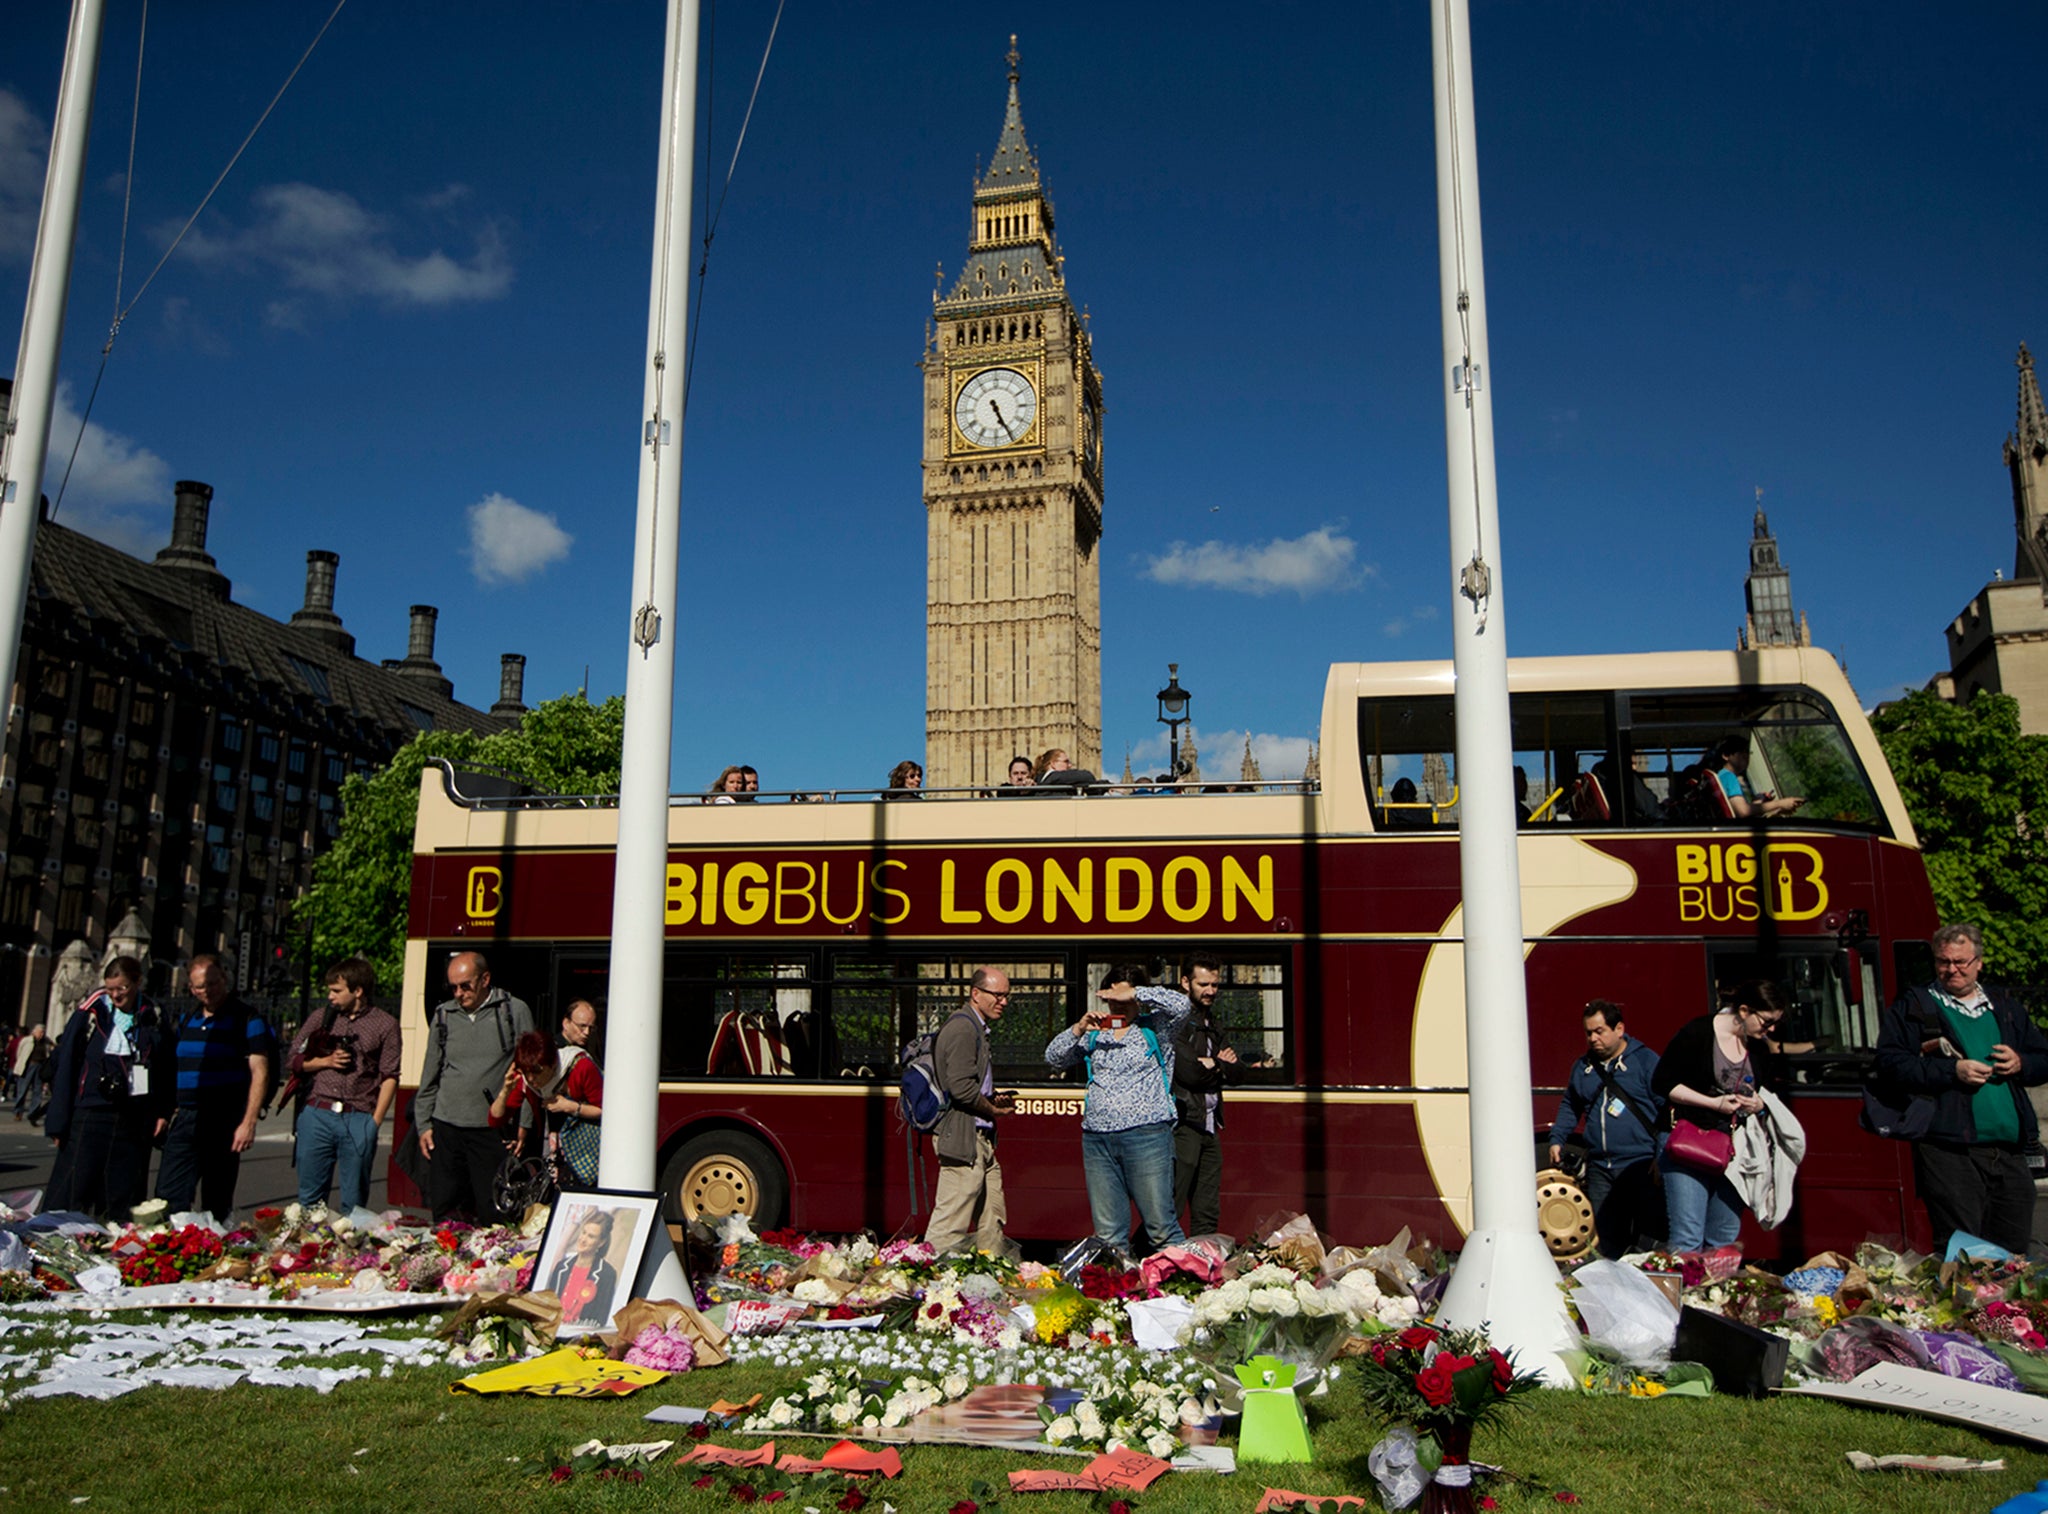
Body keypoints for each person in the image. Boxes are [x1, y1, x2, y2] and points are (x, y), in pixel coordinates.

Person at [1875, 923, 2048, 1255]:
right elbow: (1890, 1064)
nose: (1951, 969)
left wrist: (2021, 1062)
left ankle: (2003, 1309)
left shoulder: (2005, 1007)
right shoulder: (1914, 1006)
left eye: (1960, 962)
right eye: (1943, 962)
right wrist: (1951, 1070)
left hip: (2010, 1149)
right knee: (1963, 1248)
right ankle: (1965, 1307)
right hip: (1949, 1148)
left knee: (2012, 1249)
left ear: (1979, 962)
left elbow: (2043, 1058)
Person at [1049, 965, 1193, 1259]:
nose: (1116, 1003)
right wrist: (1078, 1028)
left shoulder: (1156, 1027)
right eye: (1111, 997)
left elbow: (1182, 1005)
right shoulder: (1096, 1034)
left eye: (1122, 997)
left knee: (1161, 1226)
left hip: (1147, 1136)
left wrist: (1137, 991)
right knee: (1108, 1234)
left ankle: (1185, 1292)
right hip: (1097, 1139)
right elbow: (1053, 1058)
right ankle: (1116, 1295)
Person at [1651, 980, 1786, 1250]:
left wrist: (1759, 1104)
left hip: (1735, 1150)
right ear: (1745, 1011)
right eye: (1767, 1022)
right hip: (1688, 1141)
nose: (1771, 1030)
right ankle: (1686, 1291)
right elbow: (1663, 1083)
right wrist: (1714, 1103)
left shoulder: (1759, 1047)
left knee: (1724, 1238)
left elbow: (1766, 1091)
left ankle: (1716, 1292)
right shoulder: (1697, 1032)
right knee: (1688, 1237)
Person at [44, 957, 173, 1221]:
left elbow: (166, 1066)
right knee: (73, 1190)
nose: (115, 995)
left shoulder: (153, 1014)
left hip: (133, 1117)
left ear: (138, 982)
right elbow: (67, 1062)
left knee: (122, 1197)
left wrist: (162, 1110)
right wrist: (58, 1121)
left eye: (122, 988)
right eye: (110, 988)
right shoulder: (91, 1012)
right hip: (90, 1112)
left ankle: (116, 1249)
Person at [412, 951, 535, 1221]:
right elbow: (429, 1074)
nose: (458, 993)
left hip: (491, 1129)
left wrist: (524, 1125)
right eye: (452, 987)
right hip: (446, 1127)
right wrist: (424, 1125)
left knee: (494, 1210)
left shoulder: (514, 1011)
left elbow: (529, 1075)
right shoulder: (443, 1015)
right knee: (446, 1209)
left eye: (465, 985)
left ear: (485, 979)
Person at [156, 955, 275, 1221]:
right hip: (185, 1117)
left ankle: (211, 1251)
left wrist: (249, 1121)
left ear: (224, 979)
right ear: (191, 988)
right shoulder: (187, 1019)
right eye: (200, 987)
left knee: (216, 1199)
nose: (208, 991)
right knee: (168, 1194)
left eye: (213, 983)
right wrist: (166, 1111)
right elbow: (172, 1067)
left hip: (223, 1118)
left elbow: (260, 1070)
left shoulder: (246, 1018)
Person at [1547, 1000, 1664, 1256]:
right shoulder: (1583, 1067)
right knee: (1609, 1239)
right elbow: (1571, 1104)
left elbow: (1665, 1110)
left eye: (1599, 1031)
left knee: (1647, 1238)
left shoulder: (1645, 1061)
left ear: (1619, 1029)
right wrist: (1557, 1138)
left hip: (1641, 1164)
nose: (1593, 1038)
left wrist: (1661, 1155)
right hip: (1601, 1167)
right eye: (1588, 1032)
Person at [287, 956, 401, 1213]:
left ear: (358, 991)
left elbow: (390, 1075)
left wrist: (375, 1122)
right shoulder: (321, 1018)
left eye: (336, 990)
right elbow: (292, 1059)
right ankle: (310, 1250)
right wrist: (325, 1061)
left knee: (354, 1203)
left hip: (358, 1116)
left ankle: (353, 1252)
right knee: (309, 1201)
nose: (330, 996)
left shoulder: (386, 1024)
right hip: (318, 1111)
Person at [923, 967, 1017, 1255]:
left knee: (992, 1216)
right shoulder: (963, 1028)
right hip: (964, 1138)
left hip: (981, 1139)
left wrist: (991, 1101)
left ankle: (991, 1276)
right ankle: (924, 1280)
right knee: (951, 1220)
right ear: (976, 994)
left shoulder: (977, 1028)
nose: (1003, 1001)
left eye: (1007, 995)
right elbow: (961, 1089)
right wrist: (992, 1109)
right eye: (997, 995)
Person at [1153, 954, 1241, 1238]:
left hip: (1210, 1125)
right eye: (1204, 984)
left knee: (1207, 1210)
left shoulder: (1212, 1022)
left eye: (1215, 985)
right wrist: (1220, 1063)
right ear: (1185, 982)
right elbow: (1187, 1073)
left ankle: (1203, 1269)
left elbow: (1239, 1072)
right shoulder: (1175, 1023)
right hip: (1184, 1125)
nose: (1211, 991)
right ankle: (1149, 1264)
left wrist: (1214, 1063)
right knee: (1172, 1208)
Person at [490, 1029, 604, 1189]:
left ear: (552, 1064)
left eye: (537, 1071)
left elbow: (605, 1110)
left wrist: (570, 1107)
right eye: (525, 1071)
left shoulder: (580, 1066)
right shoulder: (526, 1079)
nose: (531, 1078)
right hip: (551, 1153)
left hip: (586, 1151)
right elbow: (495, 1119)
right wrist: (505, 1090)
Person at [548, 1206, 620, 1326]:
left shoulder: (606, 1274)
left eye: (590, 1236)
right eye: (583, 1233)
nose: (583, 1239)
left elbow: (600, 1319)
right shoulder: (561, 1267)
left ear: (601, 1242)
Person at [1707, 736, 1803, 820]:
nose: (1746, 756)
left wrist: (1764, 805)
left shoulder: (1721, 776)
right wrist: (1780, 804)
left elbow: (1736, 810)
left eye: (1747, 752)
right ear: (1726, 755)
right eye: (1740, 751)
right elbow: (1743, 811)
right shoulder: (1729, 777)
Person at [12, 1023, 49, 1121]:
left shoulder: (45, 1042)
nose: (41, 1035)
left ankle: (33, 1113)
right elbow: (19, 1052)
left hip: (40, 1066)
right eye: (40, 1032)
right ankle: (18, 1111)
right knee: (22, 1090)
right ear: (34, 1032)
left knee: (37, 1090)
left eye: (43, 1033)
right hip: (28, 1066)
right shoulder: (27, 1040)